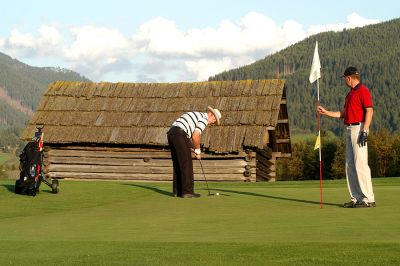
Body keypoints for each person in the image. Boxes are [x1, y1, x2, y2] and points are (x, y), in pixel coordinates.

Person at [318, 66, 376, 208]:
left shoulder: (363, 91)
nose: (344, 80)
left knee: (360, 164)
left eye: (344, 78)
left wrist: (365, 131)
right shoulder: (350, 94)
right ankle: (356, 198)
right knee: (350, 165)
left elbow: (369, 111)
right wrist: (325, 112)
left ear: (349, 78)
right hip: (349, 129)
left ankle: (368, 199)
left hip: (359, 128)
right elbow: (342, 114)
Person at [167, 106, 222, 198]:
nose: (213, 123)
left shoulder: (196, 114)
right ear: (211, 115)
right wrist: (198, 150)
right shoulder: (204, 119)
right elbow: (195, 136)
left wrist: (193, 148)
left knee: (178, 163)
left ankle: (177, 191)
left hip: (171, 134)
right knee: (186, 163)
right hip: (180, 134)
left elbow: (186, 135)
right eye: (214, 120)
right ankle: (187, 192)